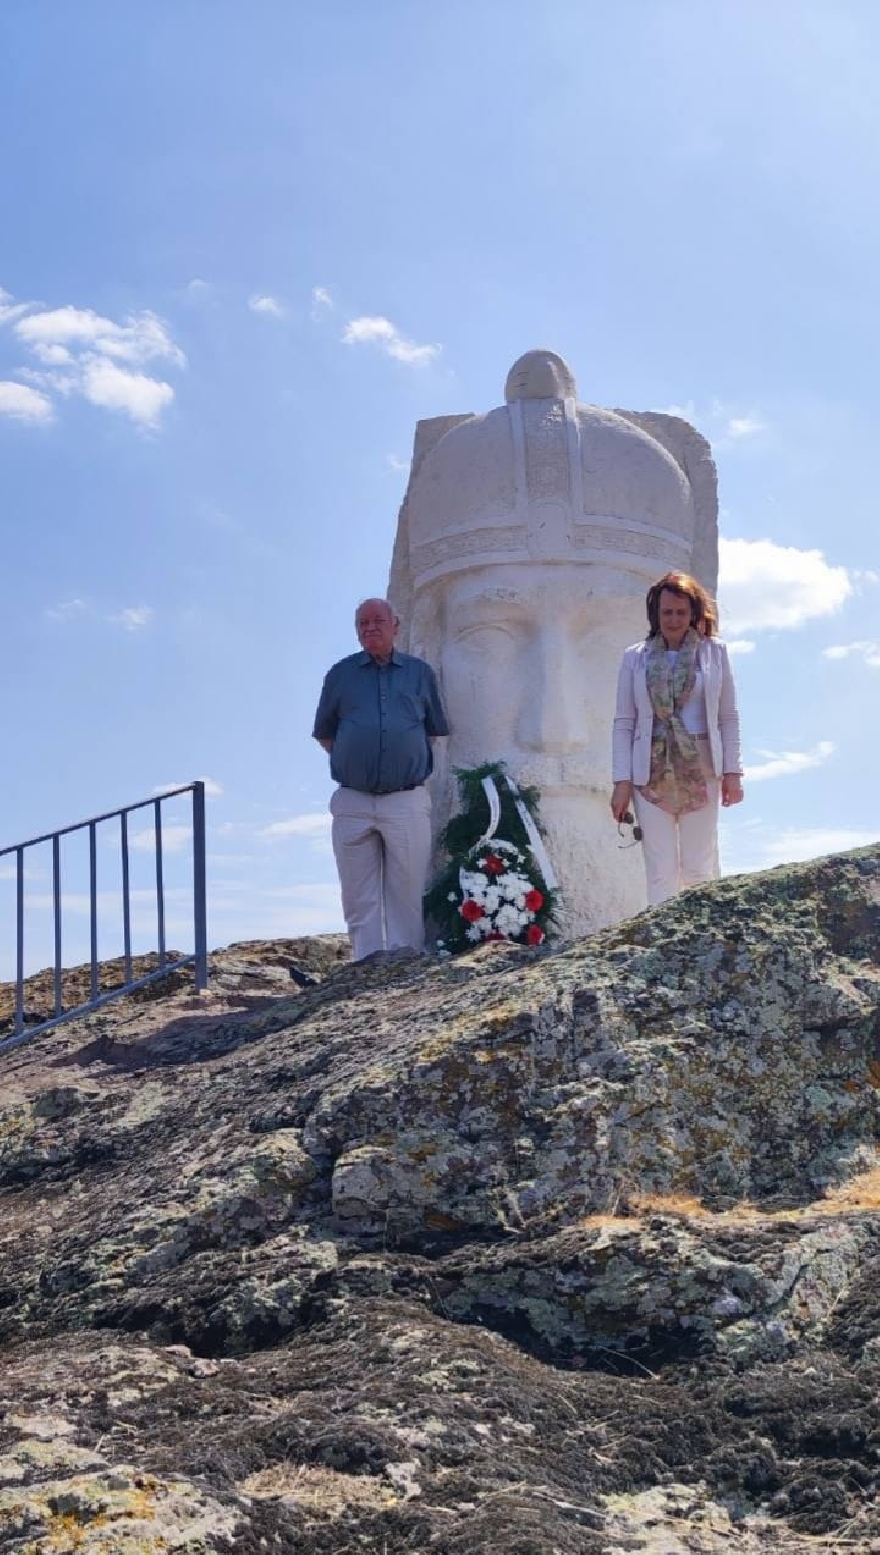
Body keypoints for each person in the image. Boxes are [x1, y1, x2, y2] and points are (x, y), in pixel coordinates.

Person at [313, 597, 449, 960]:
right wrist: (359, 762)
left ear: (395, 625)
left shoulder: (420, 674)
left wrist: (396, 763)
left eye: (377, 621)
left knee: (407, 891)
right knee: (358, 896)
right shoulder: (339, 675)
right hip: (352, 800)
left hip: (405, 799)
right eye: (362, 624)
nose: (369, 628)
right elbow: (326, 734)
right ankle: (365, 967)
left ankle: (404, 970)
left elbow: (432, 730)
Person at [610, 570, 744, 905]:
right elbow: (624, 722)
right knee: (660, 867)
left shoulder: (715, 653)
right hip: (650, 767)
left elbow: (728, 717)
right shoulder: (635, 657)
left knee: (699, 865)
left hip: (702, 765)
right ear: (655, 613)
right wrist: (621, 781)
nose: (673, 619)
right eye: (666, 612)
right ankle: (662, 947)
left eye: (681, 612)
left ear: (694, 613)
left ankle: (699, 942)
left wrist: (733, 772)